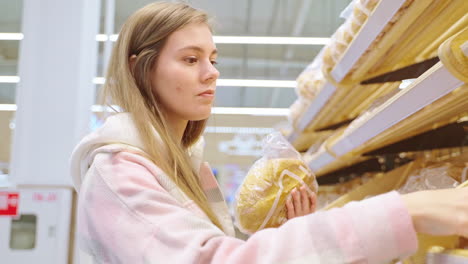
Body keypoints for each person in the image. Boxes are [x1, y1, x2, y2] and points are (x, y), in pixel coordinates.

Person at [70, 2, 468, 263]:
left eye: (212, 58)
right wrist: (409, 211)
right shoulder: (119, 174)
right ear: (142, 68)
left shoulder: (189, 170)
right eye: (190, 59)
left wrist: (290, 236)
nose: (211, 72)